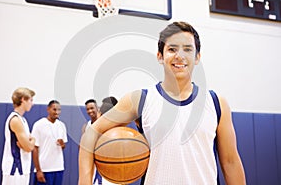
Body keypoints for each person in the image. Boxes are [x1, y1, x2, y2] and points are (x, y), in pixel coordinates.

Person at [78, 21, 246, 185]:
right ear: (160, 56)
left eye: (188, 49)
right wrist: (85, 181)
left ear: (197, 57)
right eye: (172, 49)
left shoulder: (216, 103)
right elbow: (91, 133)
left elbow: (230, 162)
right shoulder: (140, 100)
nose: (180, 55)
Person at [1, 87, 36, 185]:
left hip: (23, 168)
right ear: (23, 100)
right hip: (15, 169)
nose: (32, 103)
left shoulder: (23, 120)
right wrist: (31, 141)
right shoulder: (15, 120)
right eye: (30, 100)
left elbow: (29, 143)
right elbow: (29, 147)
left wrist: (31, 141)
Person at [31, 100, 68, 185]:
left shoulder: (62, 125)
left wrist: (62, 145)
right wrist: (38, 170)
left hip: (58, 168)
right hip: (44, 169)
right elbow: (35, 148)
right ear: (48, 109)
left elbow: (63, 147)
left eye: (59, 110)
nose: (57, 112)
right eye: (54, 109)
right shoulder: (39, 124)